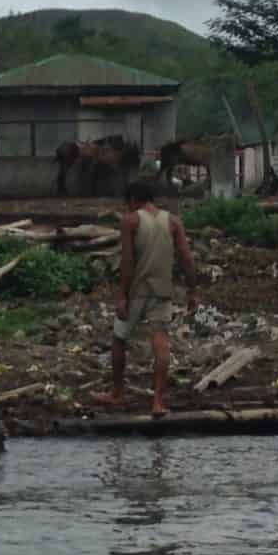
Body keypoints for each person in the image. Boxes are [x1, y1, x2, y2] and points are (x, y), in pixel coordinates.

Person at [92, 176, 197, 417]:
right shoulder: (173, 221)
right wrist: (193, 290)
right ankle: (158, 402)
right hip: (162, 291)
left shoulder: (130, 221)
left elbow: (128, 261)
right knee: (160, 342)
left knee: (119, 339)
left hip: (137, 292)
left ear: (132, 200)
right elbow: (186, 258)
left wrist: (121, 296)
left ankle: (117, 394)